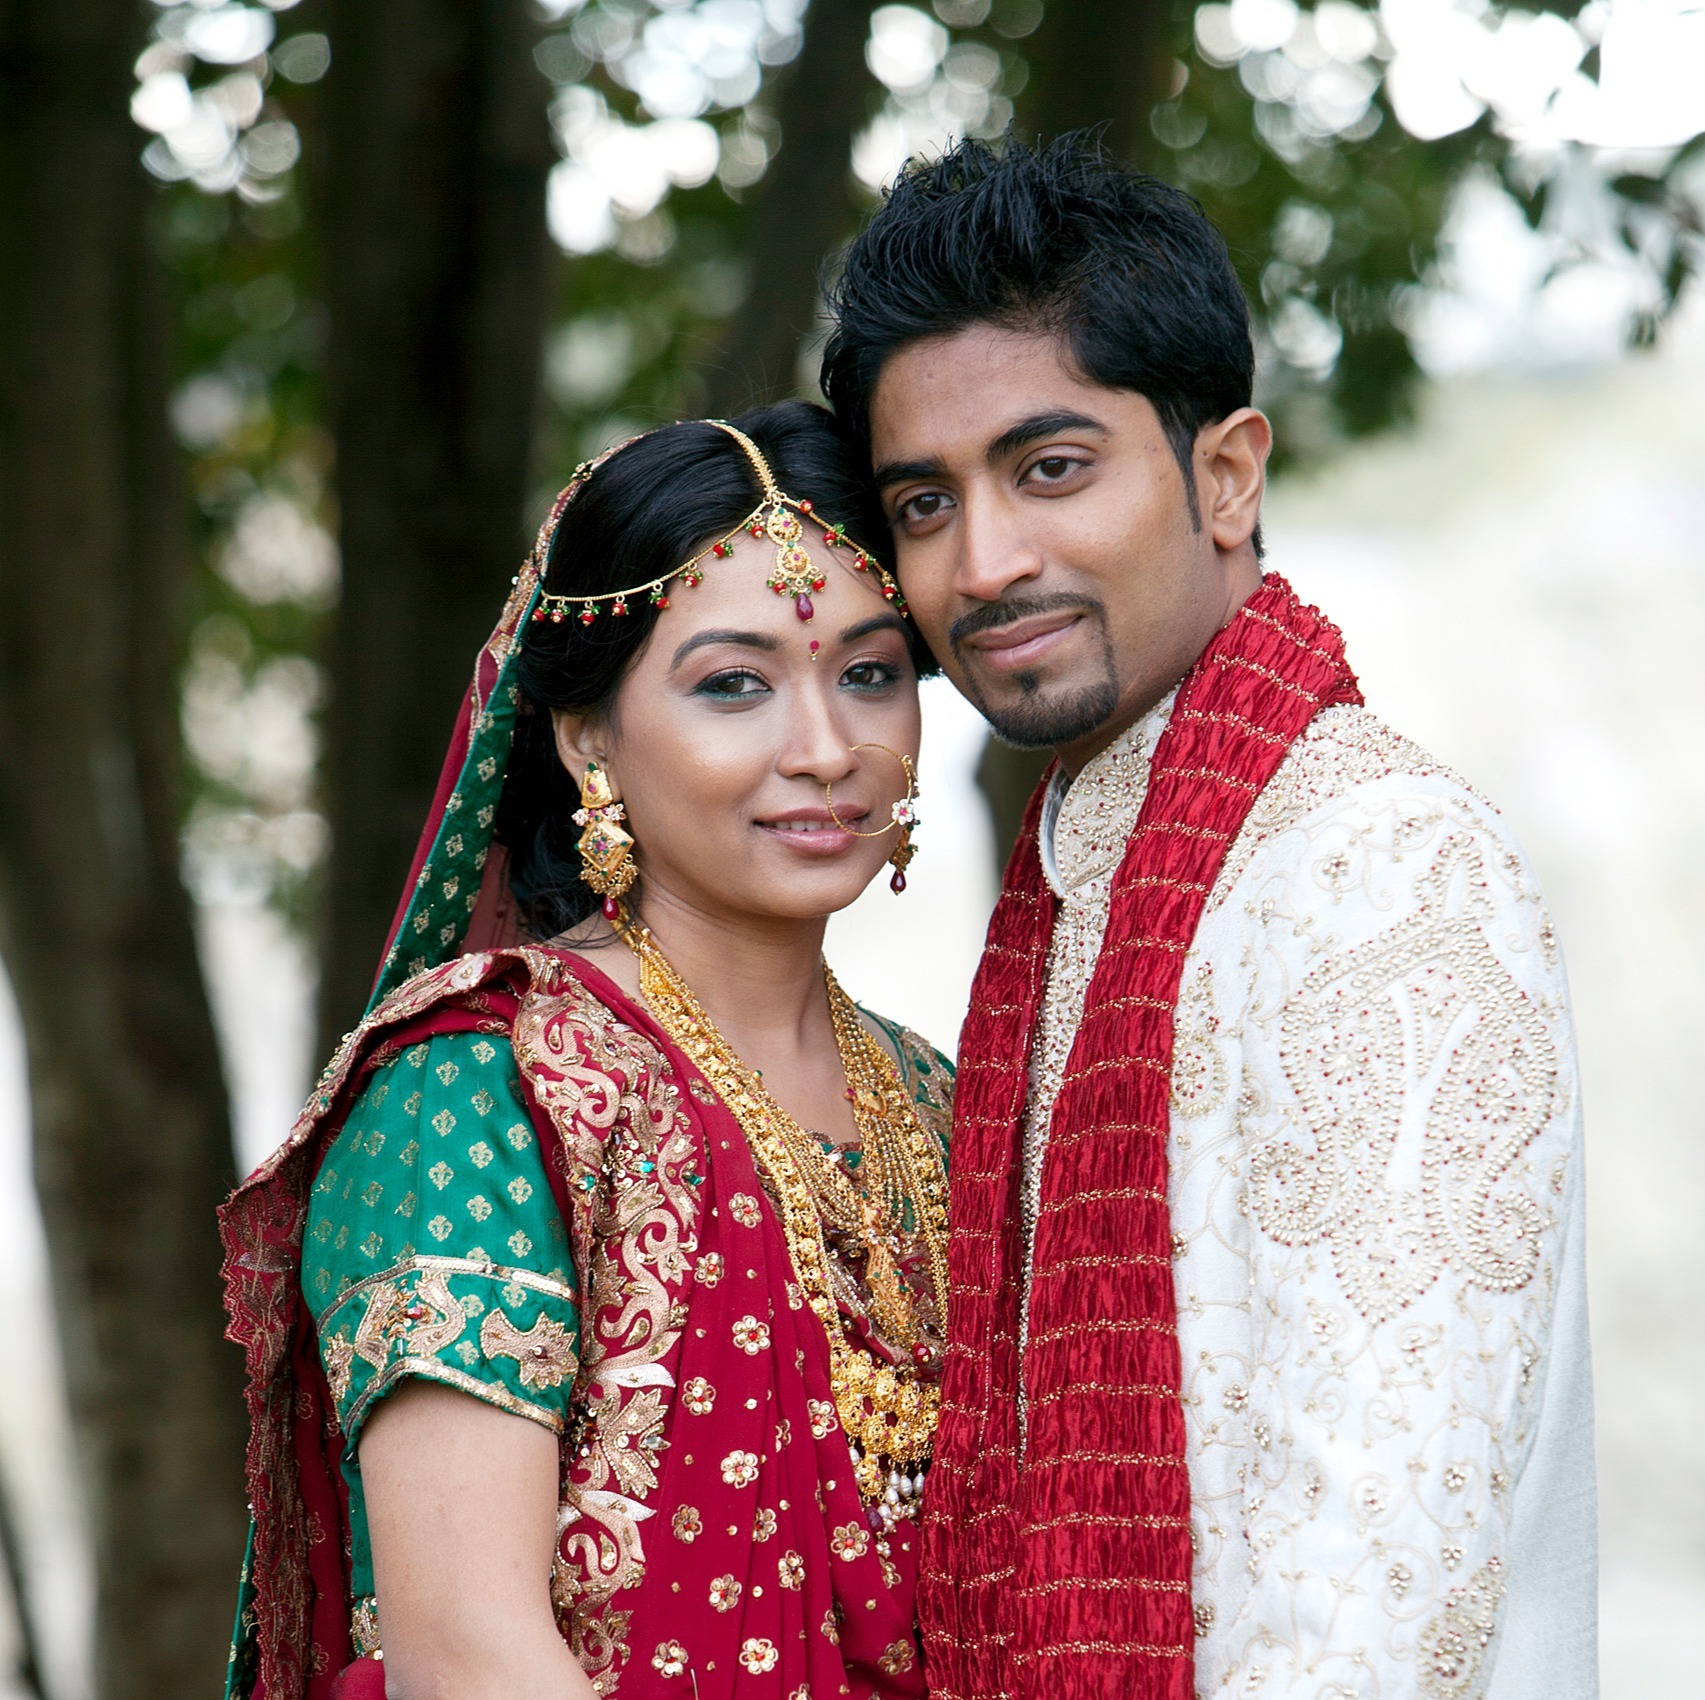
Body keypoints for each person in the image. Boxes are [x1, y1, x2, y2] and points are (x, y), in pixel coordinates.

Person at [819, 137, 1596, 1700]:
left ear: (1225, 473)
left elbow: (1374, 1597)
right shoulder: (1076, 898)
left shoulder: (1375, 865)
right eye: (923, 501)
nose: (984, 563)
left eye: (1050, 467)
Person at [219, 404, 954, 1700]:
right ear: (585, 738)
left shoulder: (945, 1104)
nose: (828, 748)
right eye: (733, 684)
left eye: (869, 670)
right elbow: (467, 1657)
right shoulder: (478, 1093)